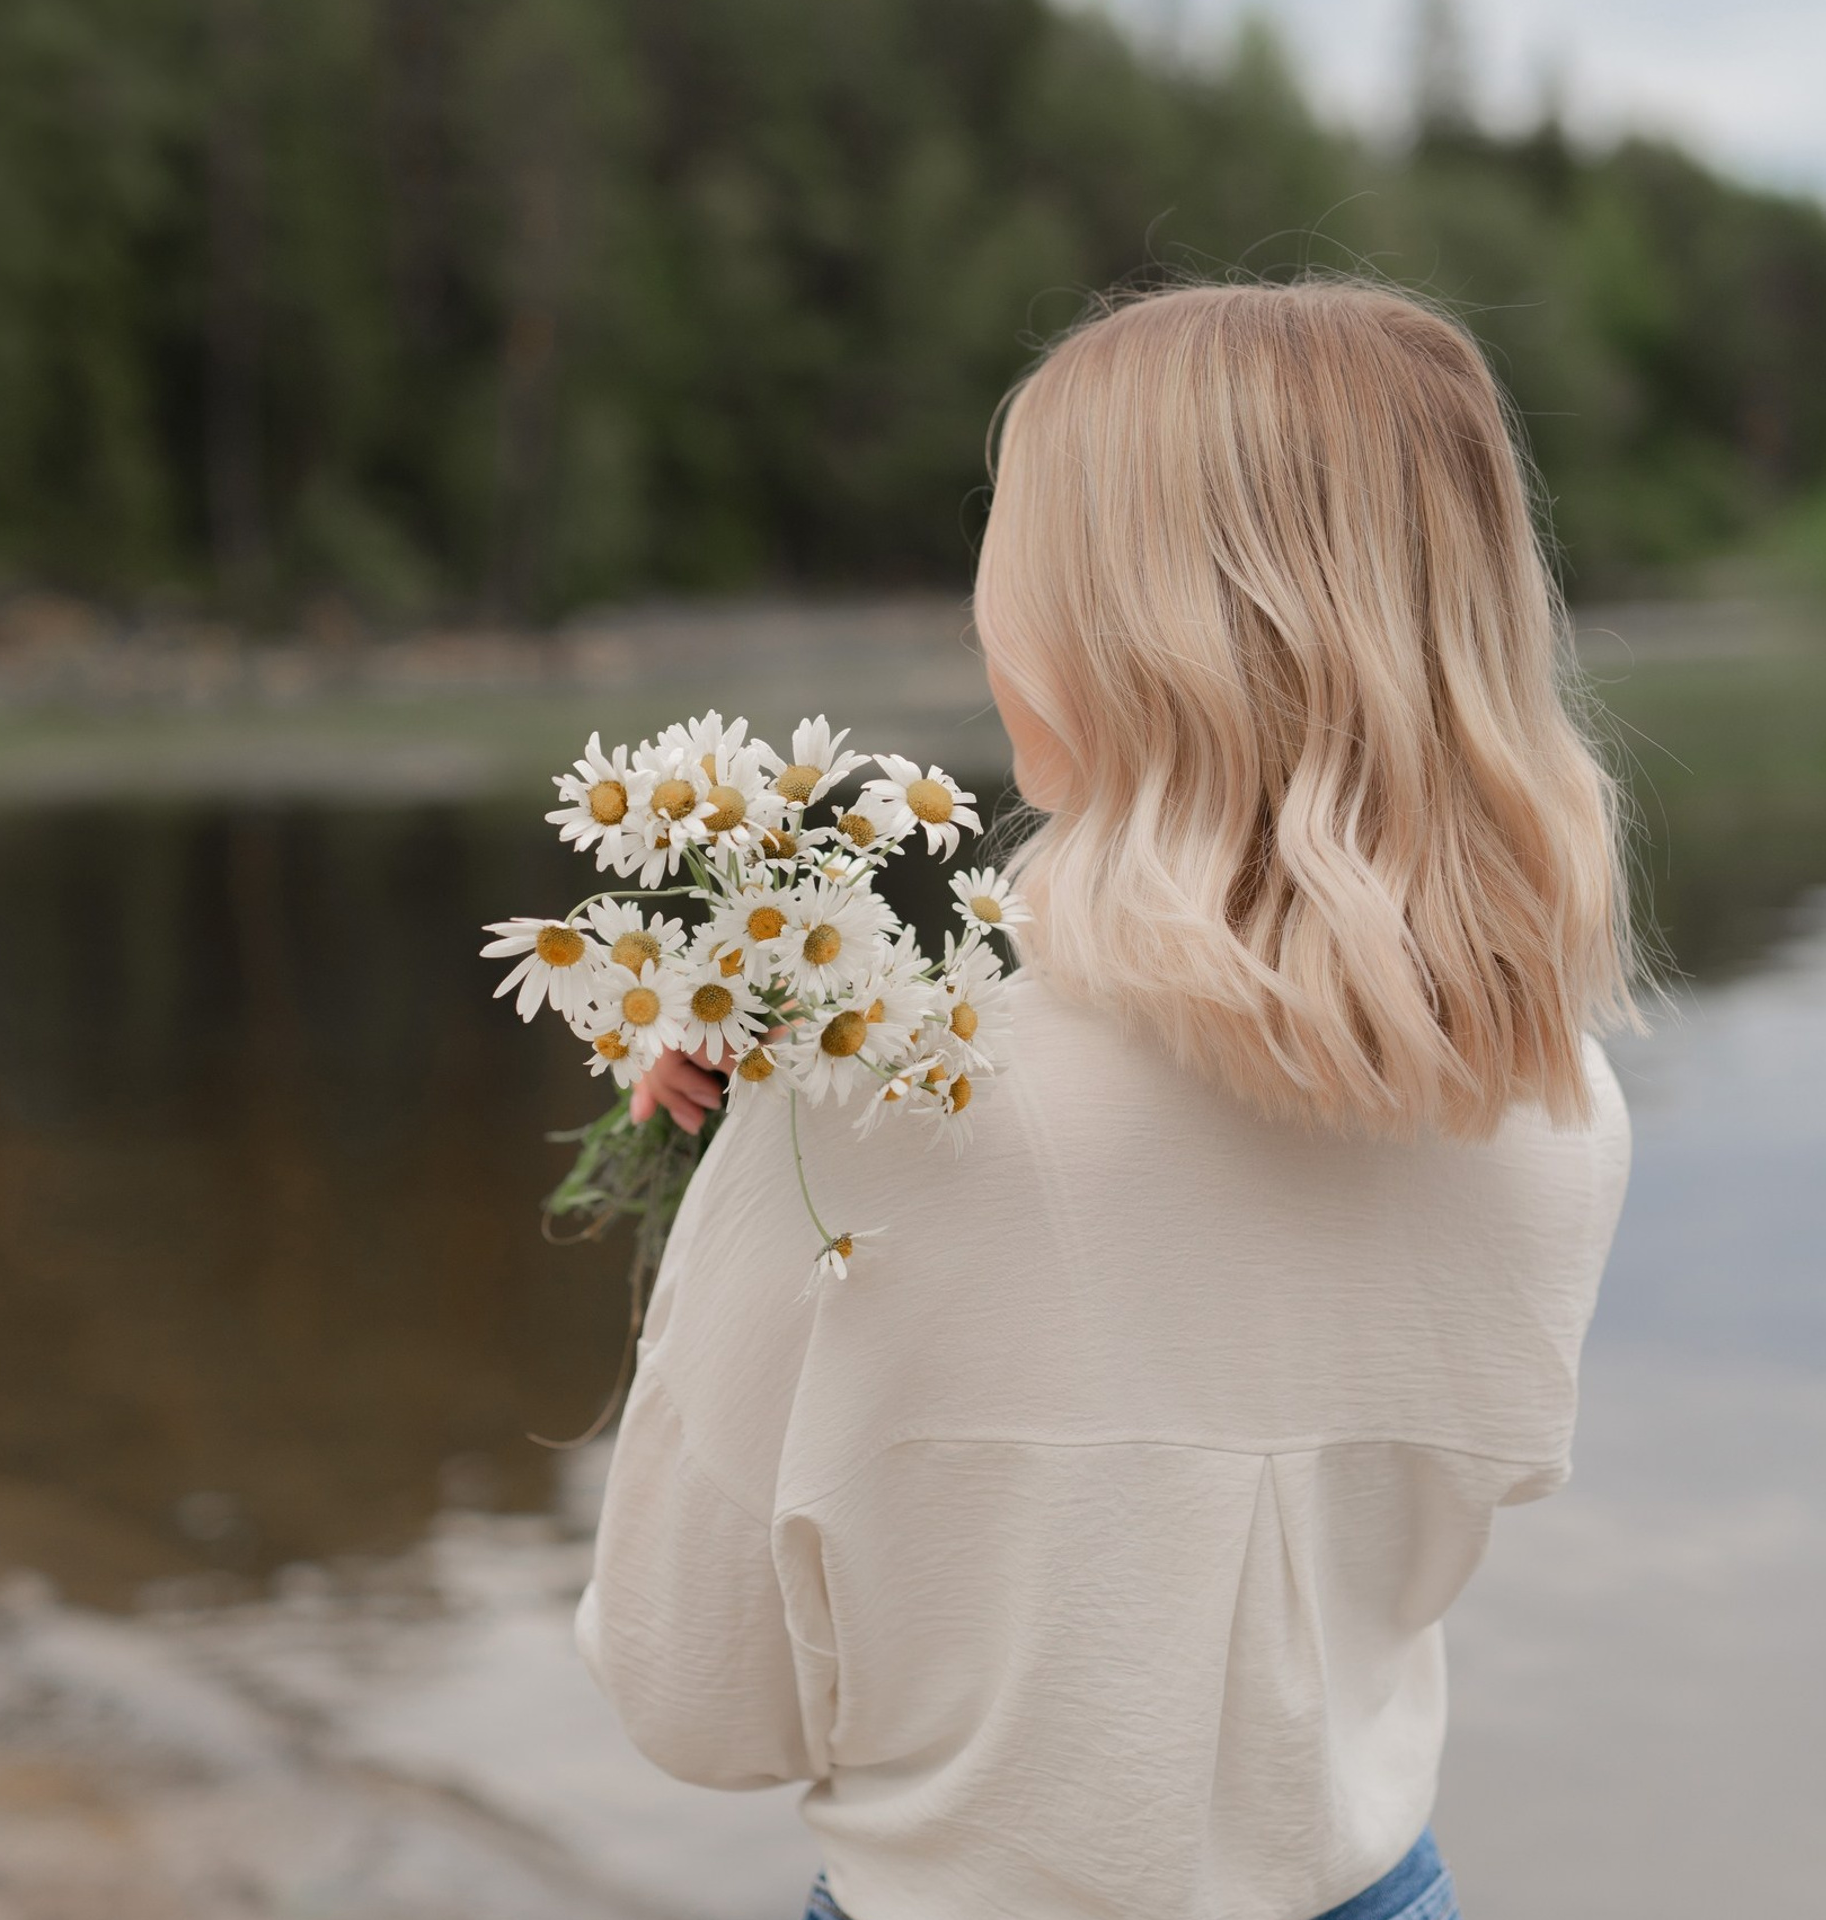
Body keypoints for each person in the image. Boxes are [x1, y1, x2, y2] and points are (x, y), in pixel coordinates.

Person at [573, 276, 1646, 1920]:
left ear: (1098, 632)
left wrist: (721, 1196)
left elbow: (693, 1695)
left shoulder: (877, 1099)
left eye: (1008, 558)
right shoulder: (1551, 1105)